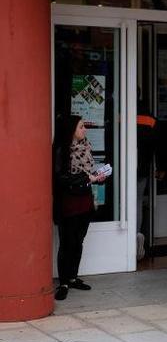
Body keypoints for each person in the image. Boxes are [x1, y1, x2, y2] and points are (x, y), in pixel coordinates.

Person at [52, 115, 107, 301]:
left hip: (85, 201)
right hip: (68, 202)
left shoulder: (86, 147)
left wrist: (97, 176)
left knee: (78, 241)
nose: (84, 130)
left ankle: (73, 277)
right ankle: (64, 283)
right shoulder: (62, 150)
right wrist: (86, 178)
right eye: (81, 127)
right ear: (71, 130)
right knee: (66, 243)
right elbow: (60, 178)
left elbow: (88, 172)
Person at [136, 101, 158, 261]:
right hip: (142, 168)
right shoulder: (149, 118)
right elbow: (156, 144)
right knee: (137, 202)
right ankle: (137, 237)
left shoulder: (118, 111)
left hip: (120, 170)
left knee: (121, 203)